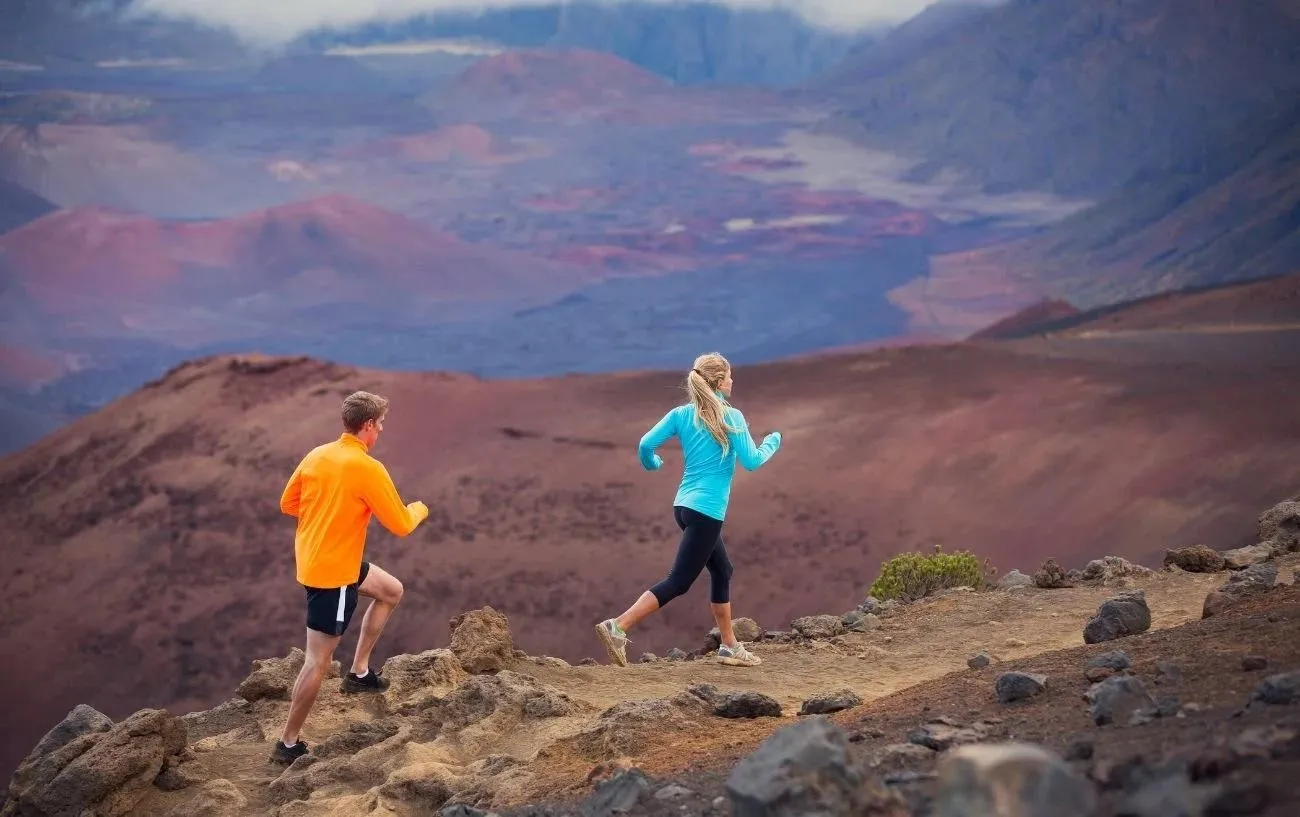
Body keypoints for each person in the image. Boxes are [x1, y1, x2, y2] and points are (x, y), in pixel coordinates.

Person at [270, 390, 430, 765]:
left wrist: (330, 513)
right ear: (369, 425)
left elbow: (287, 504)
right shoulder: (367, 468)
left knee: (391, 590)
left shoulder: (318, 454)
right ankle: (288, 743)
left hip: (319, 560)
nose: (382, 431)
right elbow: (402, 525)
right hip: (334, 577)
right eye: (381, 424)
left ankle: (359, 672)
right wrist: (421, 508)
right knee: (317, 661)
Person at [595, 352, 781, 669]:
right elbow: (751, 461)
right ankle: (618, 626)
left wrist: (652, 464)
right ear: (719, 382)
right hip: (706, 511)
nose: (733, 380)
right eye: (730, 376)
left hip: (683, 507)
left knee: (723, 570)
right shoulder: (730, 417)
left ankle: (729, 645)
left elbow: (645, 444)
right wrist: (772, 442)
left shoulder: (681, 414)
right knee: (679, 582)